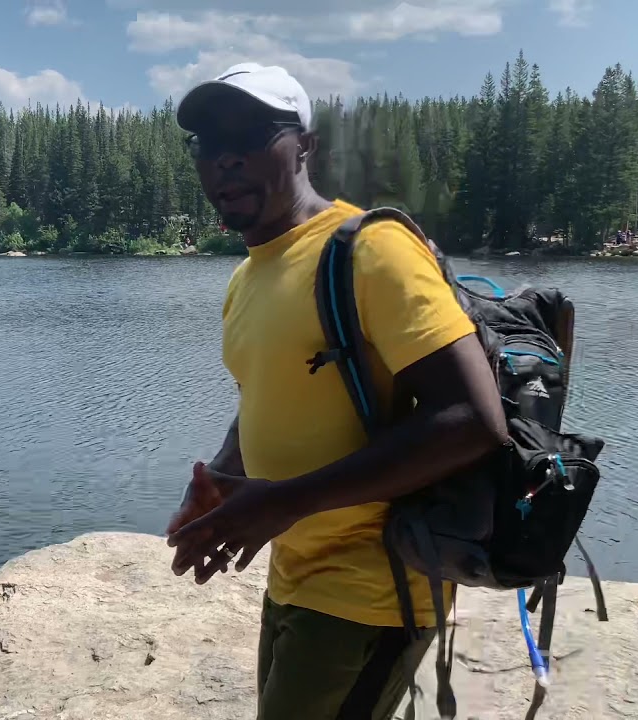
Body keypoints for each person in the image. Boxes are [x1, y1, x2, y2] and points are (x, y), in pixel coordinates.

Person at [164, 63, 508, 720]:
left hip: (372, 590)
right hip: (295, 574)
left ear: (306, 146)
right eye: (209, 142)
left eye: (251, 134)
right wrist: (221, 481)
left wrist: (285, 501)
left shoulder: (370, 251)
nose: (226, 157)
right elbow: (265, 395)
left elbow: (473, 418)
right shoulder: (248, 278)